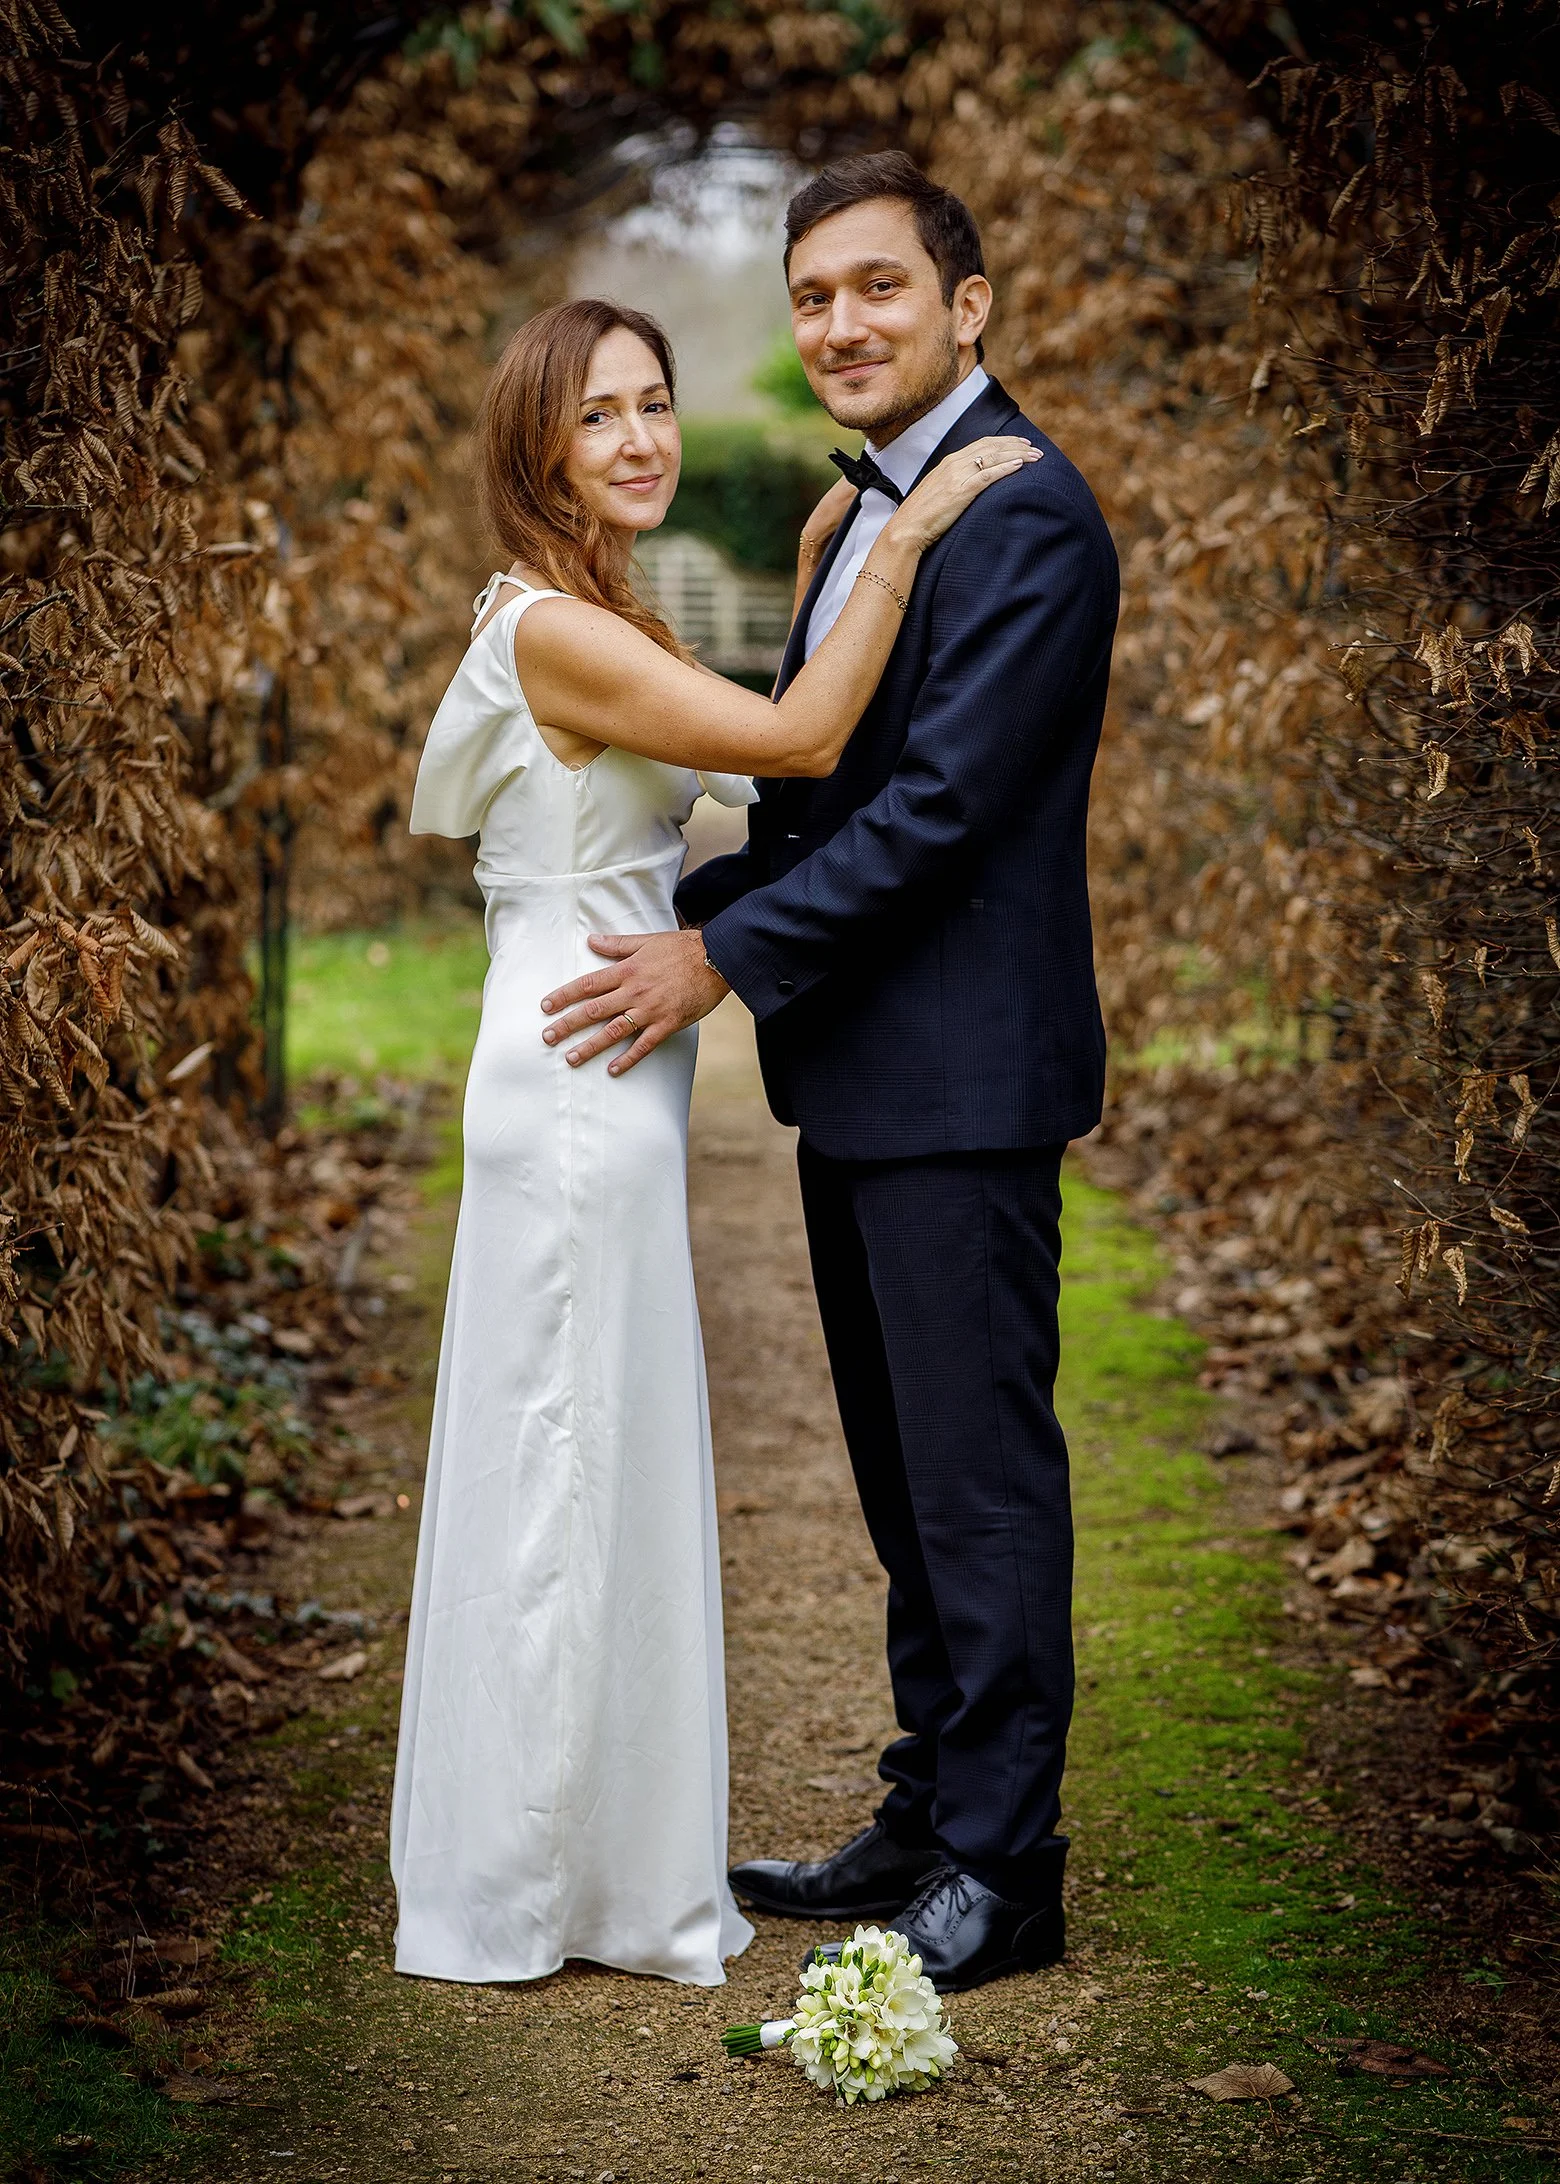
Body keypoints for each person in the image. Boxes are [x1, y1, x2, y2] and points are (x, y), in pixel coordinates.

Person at [387, 293, 1034, 1988]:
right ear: (535, 444)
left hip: (596, 1060)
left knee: (587, 1448)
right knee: (565, 1457)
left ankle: (583, 1854)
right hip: (579, 1073)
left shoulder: (594, 608)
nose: (642, 438)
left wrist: (829, 546)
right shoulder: (554, 629)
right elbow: (799, 744)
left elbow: (721, 786)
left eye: (658, 402)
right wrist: (909, 527)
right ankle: (532, 1877)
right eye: (598, 414)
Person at [539, 155, 1120, 1993]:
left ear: (970, 306)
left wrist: (713, 952)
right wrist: (663, 895)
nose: (841, 323)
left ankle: (1006, 1872)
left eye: (879, 288)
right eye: (811, 297)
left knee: (980, 1483)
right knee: (899, 1472)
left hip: (960, 1077)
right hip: (869, 1070)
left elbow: (943, 815)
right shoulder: (865, 514)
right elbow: (827, 793)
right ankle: (928, 1810)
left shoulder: (1021, 515)